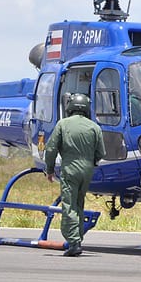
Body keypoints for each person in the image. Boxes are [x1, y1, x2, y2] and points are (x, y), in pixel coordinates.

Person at [45, 94, 106, 257]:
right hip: (87, 170)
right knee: (79, 203)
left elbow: (50, 149)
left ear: (70, 107)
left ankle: (73, 242)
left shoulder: (63, 124)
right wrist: (90, 161)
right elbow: (101, 152)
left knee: (69, 204)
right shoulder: (94, 127)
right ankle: (77, 238)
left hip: (70, 168)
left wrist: (49, 169)